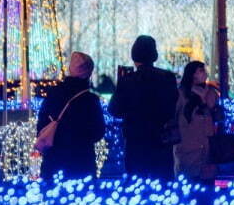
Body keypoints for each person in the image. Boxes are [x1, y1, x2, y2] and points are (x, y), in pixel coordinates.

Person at [109, 35, 177, 179]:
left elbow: (114, 109)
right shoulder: (167, 78)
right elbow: (173, 107)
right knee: (162, 181)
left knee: (137, 182)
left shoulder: (127, 80)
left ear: (135, 56)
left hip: (136, 140)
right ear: (154, 55)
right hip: (162, 139)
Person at [37, 52, 105, 181]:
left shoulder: (53, 93)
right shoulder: (90, 100)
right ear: (89, 74)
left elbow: (41, 125)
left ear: (70, 69)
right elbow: (98, 131)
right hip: (81, 164)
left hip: (53, 164)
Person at [173, 61, 221, 182]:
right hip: (187, 144)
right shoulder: (181, 93)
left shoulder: (211, 93)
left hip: (207, 145)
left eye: (204, 70)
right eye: (201, 71)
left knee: (207, 184)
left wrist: (205, 100)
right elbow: (175, 114)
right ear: (192, 74)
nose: (205, 73)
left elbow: (217, 115)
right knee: (188, 181)